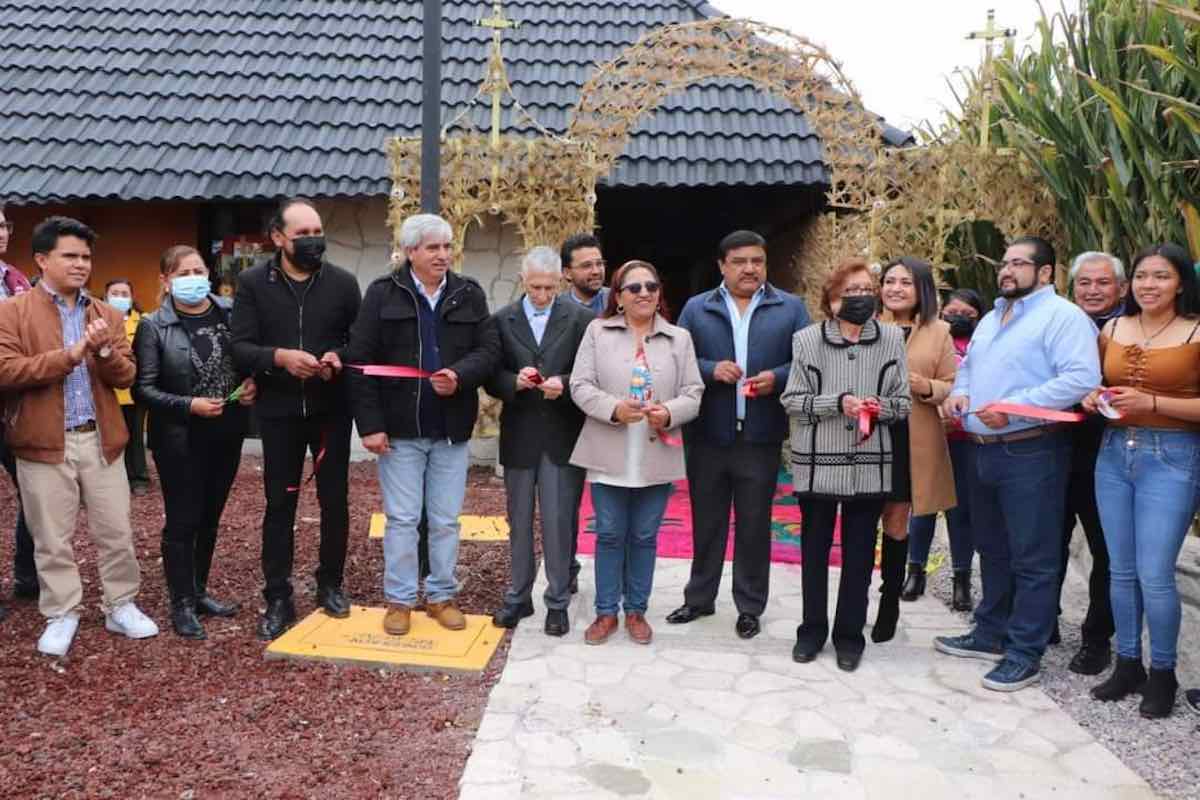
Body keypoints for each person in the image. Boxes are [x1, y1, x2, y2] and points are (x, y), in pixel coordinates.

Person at [937, 236, 1101, 692]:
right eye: (1004, 263)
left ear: (1046, 273)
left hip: (1033, 449)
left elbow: (1082, 378)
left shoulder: (1064, 318)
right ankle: (990, 633)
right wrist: (962, 393)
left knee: (1034, 556)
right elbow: (969, 367)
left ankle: (1025, 651)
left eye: (1018, 264)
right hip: (984, 448)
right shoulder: (992, 318)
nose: (1006, 270)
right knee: (993, 547)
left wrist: (1015, 407)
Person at [0, 216, 158, 656]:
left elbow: (128, 374)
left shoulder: (105, 312)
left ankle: (120, 604)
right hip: (43, 440)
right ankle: (62, 612)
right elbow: (5, 369)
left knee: (116, 530)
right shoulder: (11, 312)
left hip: (101, 438)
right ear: (41, 259)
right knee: (51, 537)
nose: (80, 264)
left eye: (86, 256)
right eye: (69, 255)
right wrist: (67, 356)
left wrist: (105, 350)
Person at [347, 214, 497, 637]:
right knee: (402, 519)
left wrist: (461, 376)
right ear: (411, 250)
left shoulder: (469, 293)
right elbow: (359, 362)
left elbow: (488, 350)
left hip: (451, 430)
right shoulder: (381, 295)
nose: (443, 255)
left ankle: (441, 596)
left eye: (447, 247)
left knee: (447, 520)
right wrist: (371, 426)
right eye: (433, 248)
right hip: (399, 433)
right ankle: (399, 601)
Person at [667, 230, 810, 638]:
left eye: (757, 261)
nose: (750, 269)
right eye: (740, 262)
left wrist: (778, 378)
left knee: (753, 524)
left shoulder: (791, 308)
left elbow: (808, 360)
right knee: (706, 521)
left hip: (761, 436)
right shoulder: (697, 308)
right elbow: (678, 359)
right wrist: (711, 368)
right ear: (722, 266)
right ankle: (699, 598)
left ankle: (749, 606)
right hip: (708, 434)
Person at [230, 198, 362, 640]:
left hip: (330, 411)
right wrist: (279, 358)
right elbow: (240, 346)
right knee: (279, 505)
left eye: (317, 232)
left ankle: (330, 584)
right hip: (280, 411)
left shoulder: (343, 284)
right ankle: (278, 596)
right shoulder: (252, 283)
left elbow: (359, 343)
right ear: (279, 238)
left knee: (334, 502)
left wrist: (336, 358)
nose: (312, 241)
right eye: (302, 234)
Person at [1084, 243, 1200, 718]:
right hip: (1113, 453)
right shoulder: (1112, 327)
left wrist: (1152, 403)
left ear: (1180, 283)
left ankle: (1163, 673)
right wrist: (1093, 397)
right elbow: (1092, 383)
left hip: (1171, 457)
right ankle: (1128, 662)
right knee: (1120, 569)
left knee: (1155, 576)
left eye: (1161, 276)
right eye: (1141, 276)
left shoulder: (1195, 330)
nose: (1149, 285)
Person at [781, 258, 910, 672]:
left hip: (870, 464)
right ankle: (811, 631)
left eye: (865, 290)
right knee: (814, 552)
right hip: (817, 463)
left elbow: (903, 403)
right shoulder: (806, 340)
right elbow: (792, 401)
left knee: (858, 555)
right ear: (831, 299)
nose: (859, 298)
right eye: (849, 292)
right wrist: (836, 404)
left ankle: (849, 636)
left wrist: (880, 407)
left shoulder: (891, 338)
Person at [570, 260, 703, 646]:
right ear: (619, 297)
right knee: (610, 534)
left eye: (651, 286)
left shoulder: (679, 338)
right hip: (609, 449)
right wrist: (613, 408)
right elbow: (580, 384)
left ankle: (636, 611)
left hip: (656, 452)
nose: (644, 293)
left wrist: (669, 413)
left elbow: (694, 393)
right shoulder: (598, 331)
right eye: (634, 288)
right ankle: (606, 612)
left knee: (644, 535)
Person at [134, 246, 256, 639]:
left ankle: (200, 590)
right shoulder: (155, 326)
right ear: (166, 281)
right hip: (180, 438)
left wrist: (253, 386)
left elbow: (248, 361)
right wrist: (190, 405)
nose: (193, 277)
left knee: (210, 517)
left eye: (199, 269)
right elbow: (143, 390)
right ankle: (181, 602)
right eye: (183, 272)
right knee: (183, 519)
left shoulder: (231, 313)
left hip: (227, 432)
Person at [486, 247, 593, 636]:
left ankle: (558, 601)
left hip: (563, 434)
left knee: (559, 521)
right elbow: (491, 371)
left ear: (560, 282)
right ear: (522, 280)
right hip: (520, 434)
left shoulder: (582, 319)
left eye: (549, 287)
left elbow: (589, 373)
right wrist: (513, 381)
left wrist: (561, 385)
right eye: (535, 287)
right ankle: (518, 596)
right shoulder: (502, 320)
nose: (542, 295)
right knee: (518, 522)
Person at [873, 257, 957, 643]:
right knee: (860, 522)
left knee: (896, 519)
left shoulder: (939, 331)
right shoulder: (868, 325)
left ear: (921, 287)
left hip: (911, 437)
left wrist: (921, 384)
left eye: (904, 282)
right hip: (867, 435)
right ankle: (854, 601)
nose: (895, 289)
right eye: (889, 281)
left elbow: (950, 385)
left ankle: (890, 603)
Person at [1052, 251, 1127, 674]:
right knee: (1048, 541)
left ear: (1121, 288)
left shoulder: (1131, 330)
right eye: (1084, 283)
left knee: (1106, 551)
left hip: (1110, 455)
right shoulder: (1058, 323)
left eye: (1102, 283)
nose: (1093, 291)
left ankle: (1097, 639)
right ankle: (1044, 622)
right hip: (1054, 450)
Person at [904, 288, 984, 612]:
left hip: (966, 441)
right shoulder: (932, 339)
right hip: (930, 434)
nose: (958, 318)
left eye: (967, 313)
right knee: (922, 507)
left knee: (959, 512)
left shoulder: (981, 347)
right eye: (952, 311)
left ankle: (961, 580)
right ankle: (914, 571)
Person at [0, 205, 38, 619]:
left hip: (16, 405)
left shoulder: (18, 280)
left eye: (4, 226)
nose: (1, 233)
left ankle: (29, 576)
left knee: (35, 492)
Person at [104, 278, 150, 496]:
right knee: (108, 437)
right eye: (115, 293)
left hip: (133, 390)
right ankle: (112, 479)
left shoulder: (143, 322)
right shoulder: (97, 321)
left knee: (134, 436)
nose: (120, 298)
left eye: (124, 294)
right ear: (105, 297)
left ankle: (138, 477)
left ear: (132, 298)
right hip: (106, 391)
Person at [561, 233, 610, 316]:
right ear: (567, 273)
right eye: (587, 266)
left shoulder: (617, 301)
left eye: (599, 263)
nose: (596, 271)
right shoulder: (557, 309)